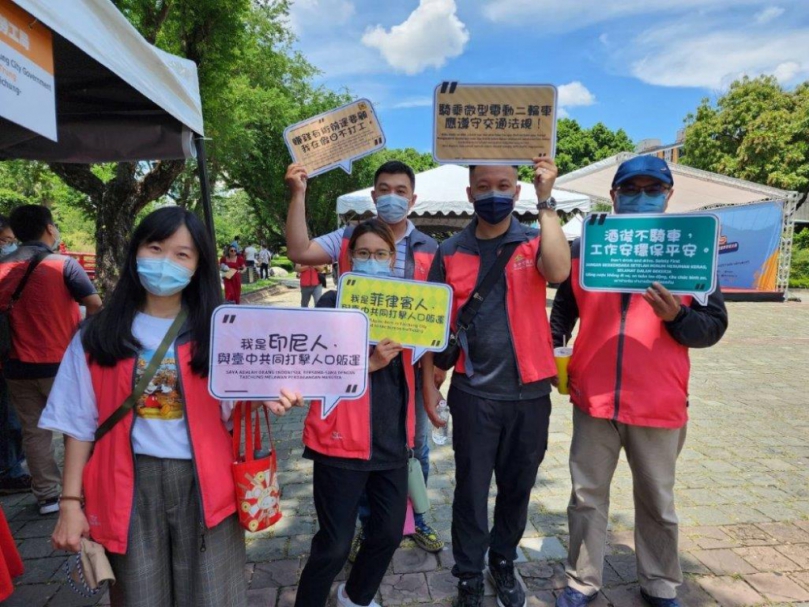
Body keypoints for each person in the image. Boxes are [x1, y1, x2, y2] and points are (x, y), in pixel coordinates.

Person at [40, 207, 302, 607]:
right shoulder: (97, 334)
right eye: (156, 248)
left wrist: (269, 391)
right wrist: (70, 504)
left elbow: (244, 397)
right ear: (135, 253)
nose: (166, 262)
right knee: (140, 597)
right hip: (127, 486)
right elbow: (77, 424)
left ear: (198, 266)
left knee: (214, 597)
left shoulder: (224, 333)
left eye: (182, 254)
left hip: (207, 484)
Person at [550, 156, 728, 607]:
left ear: (668, 196)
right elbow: (563, 311)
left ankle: (660, 582)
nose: (641, 196)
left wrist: (678, 317)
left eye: (653, 189)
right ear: (614, 196)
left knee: (657, 500)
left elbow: (713, 326)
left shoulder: (691, 253)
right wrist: (554, 350)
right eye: (631, 189)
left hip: (658, 400)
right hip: (594, 399)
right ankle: (582, 579)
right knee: (586, 497)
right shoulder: (587, 249)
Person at [424, 159, 571, 607]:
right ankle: (468, 573)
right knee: (470, 490)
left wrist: (547, 202)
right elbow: (434, 325)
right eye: (484, 185)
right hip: (473, 394)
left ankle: (502, 561)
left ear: (517, 190)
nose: (494, 193)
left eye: (503, 185)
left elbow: (561, 272)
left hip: (530, 393)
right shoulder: (449, 251)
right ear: (469, 194)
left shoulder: (534, 242)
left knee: (517, 486)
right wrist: (432, 389)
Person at [285, 160, 445, 554]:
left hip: (404, 373)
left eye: (401, 191)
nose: (392, 198)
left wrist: (429, 386)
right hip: (353, 367)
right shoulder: (346, 237)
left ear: (413, 198)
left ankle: (413, 520)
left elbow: (432, 323)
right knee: (354, 450)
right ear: (374, 196)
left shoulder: (430, 248)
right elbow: (299, 250)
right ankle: (359, 527)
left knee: (413, 449)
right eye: (384, 190)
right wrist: (298, 192)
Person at [296, 219, 431, 607]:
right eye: (364, 253)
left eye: (381, 254)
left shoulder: (410, 305)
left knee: (388, 534)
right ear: (349, 258)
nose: (373, 260)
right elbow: (310, 369)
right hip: (338, 442)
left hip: (391, 442)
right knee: (335, 545)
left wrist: (443, 329)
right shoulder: (328, 303)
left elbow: (438, 354)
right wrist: (366, 363)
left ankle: (355, 596)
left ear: (393, 259)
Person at [0, 205, 102, 515]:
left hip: (15, 365)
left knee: (33, 430)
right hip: (61, 363)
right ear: (49, 228)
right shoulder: (63, 265)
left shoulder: (1, 267)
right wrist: (81, 335)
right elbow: (95, 304)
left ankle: (47, 496)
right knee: (78, 425)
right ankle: (85, 488)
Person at [0, 216, 29, 496]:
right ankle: (10, 471)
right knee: (11, 420)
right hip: (11, 358)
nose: (9, 246)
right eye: (5, 241)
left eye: (11, 241)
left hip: (11, 356)